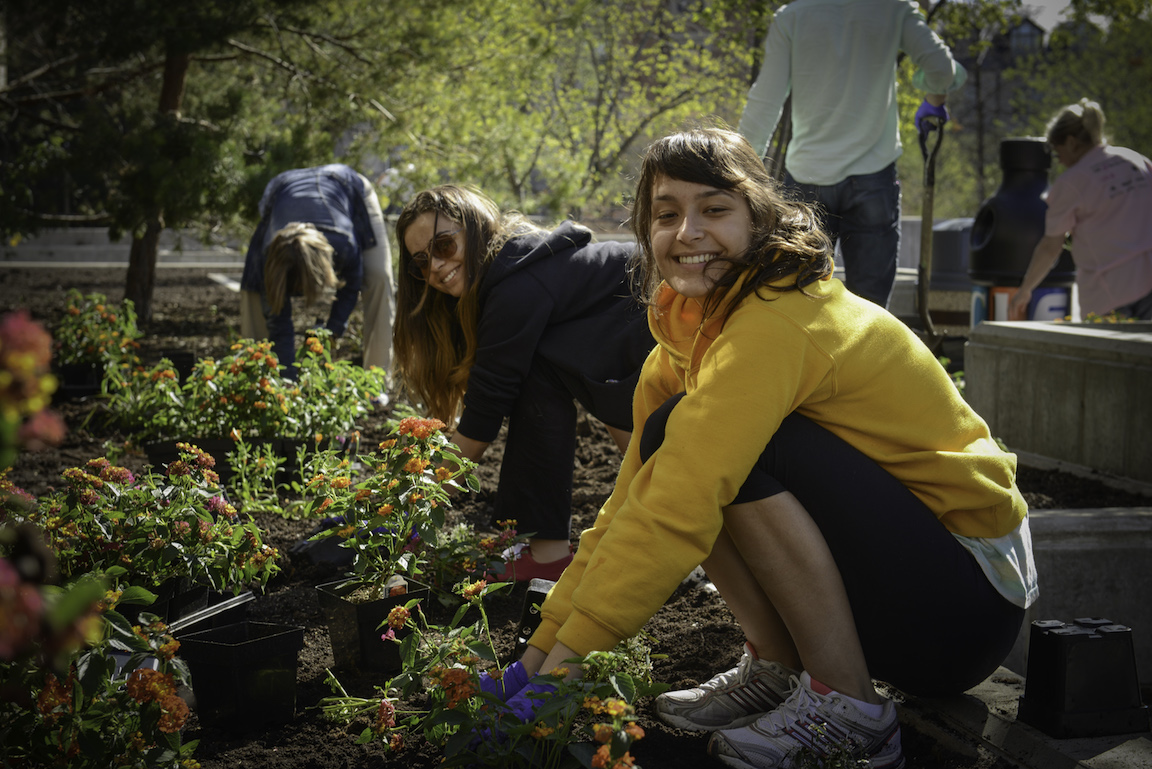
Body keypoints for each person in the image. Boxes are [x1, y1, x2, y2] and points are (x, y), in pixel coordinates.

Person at [501, 127, 1036, 769]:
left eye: (716, 209)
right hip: (898, 596)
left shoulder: (777, 322)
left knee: (733, 453)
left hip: (962, 610)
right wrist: (536, 656)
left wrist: (564, 673)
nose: (688, 231)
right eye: (666, 214)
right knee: (682, 439)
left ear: (760, 218)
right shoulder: (682, 350)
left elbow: (676, 512)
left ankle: (851, 708)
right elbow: (631, 510)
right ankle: (780, 668)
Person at [392, 185, 654, 582]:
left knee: (666, 470)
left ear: (476, 228)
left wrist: (410, 511)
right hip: (617, 340)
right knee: (536, 373)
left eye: (444, 245)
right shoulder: (506, 275)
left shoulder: (514, 286)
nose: (436, 268)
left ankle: (678, 542)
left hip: (660, 310)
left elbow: (481, 424)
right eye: (421, 263)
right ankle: (548, 554)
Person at [737, 0, 967, 308]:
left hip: (807, 178)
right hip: (873, 177)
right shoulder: (892, 9)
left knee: (798, 305)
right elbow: (941, 68)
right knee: (869, 313)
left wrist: (740, 174)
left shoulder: (793, 17)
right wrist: (933, 98)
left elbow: (765, 102)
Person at [240, 164, 395, 377]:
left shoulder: (344, 246)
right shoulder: (271, 257)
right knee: (254, 287)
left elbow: (350, 289)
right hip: (283, 185)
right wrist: (288, 381)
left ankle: (377, 381)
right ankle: (261, 381)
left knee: (379, 277)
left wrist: (331, 332)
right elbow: (279, 323)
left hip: (346, 184)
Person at [1009, 99, 1152, 321]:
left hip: (1111, 294)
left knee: (1108, 355)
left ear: (1071, 142)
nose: (1060, 161)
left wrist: (1025, 290)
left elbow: (1050, 247)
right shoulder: (1137, 161)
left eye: (1058, 153)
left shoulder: (1072, 182)